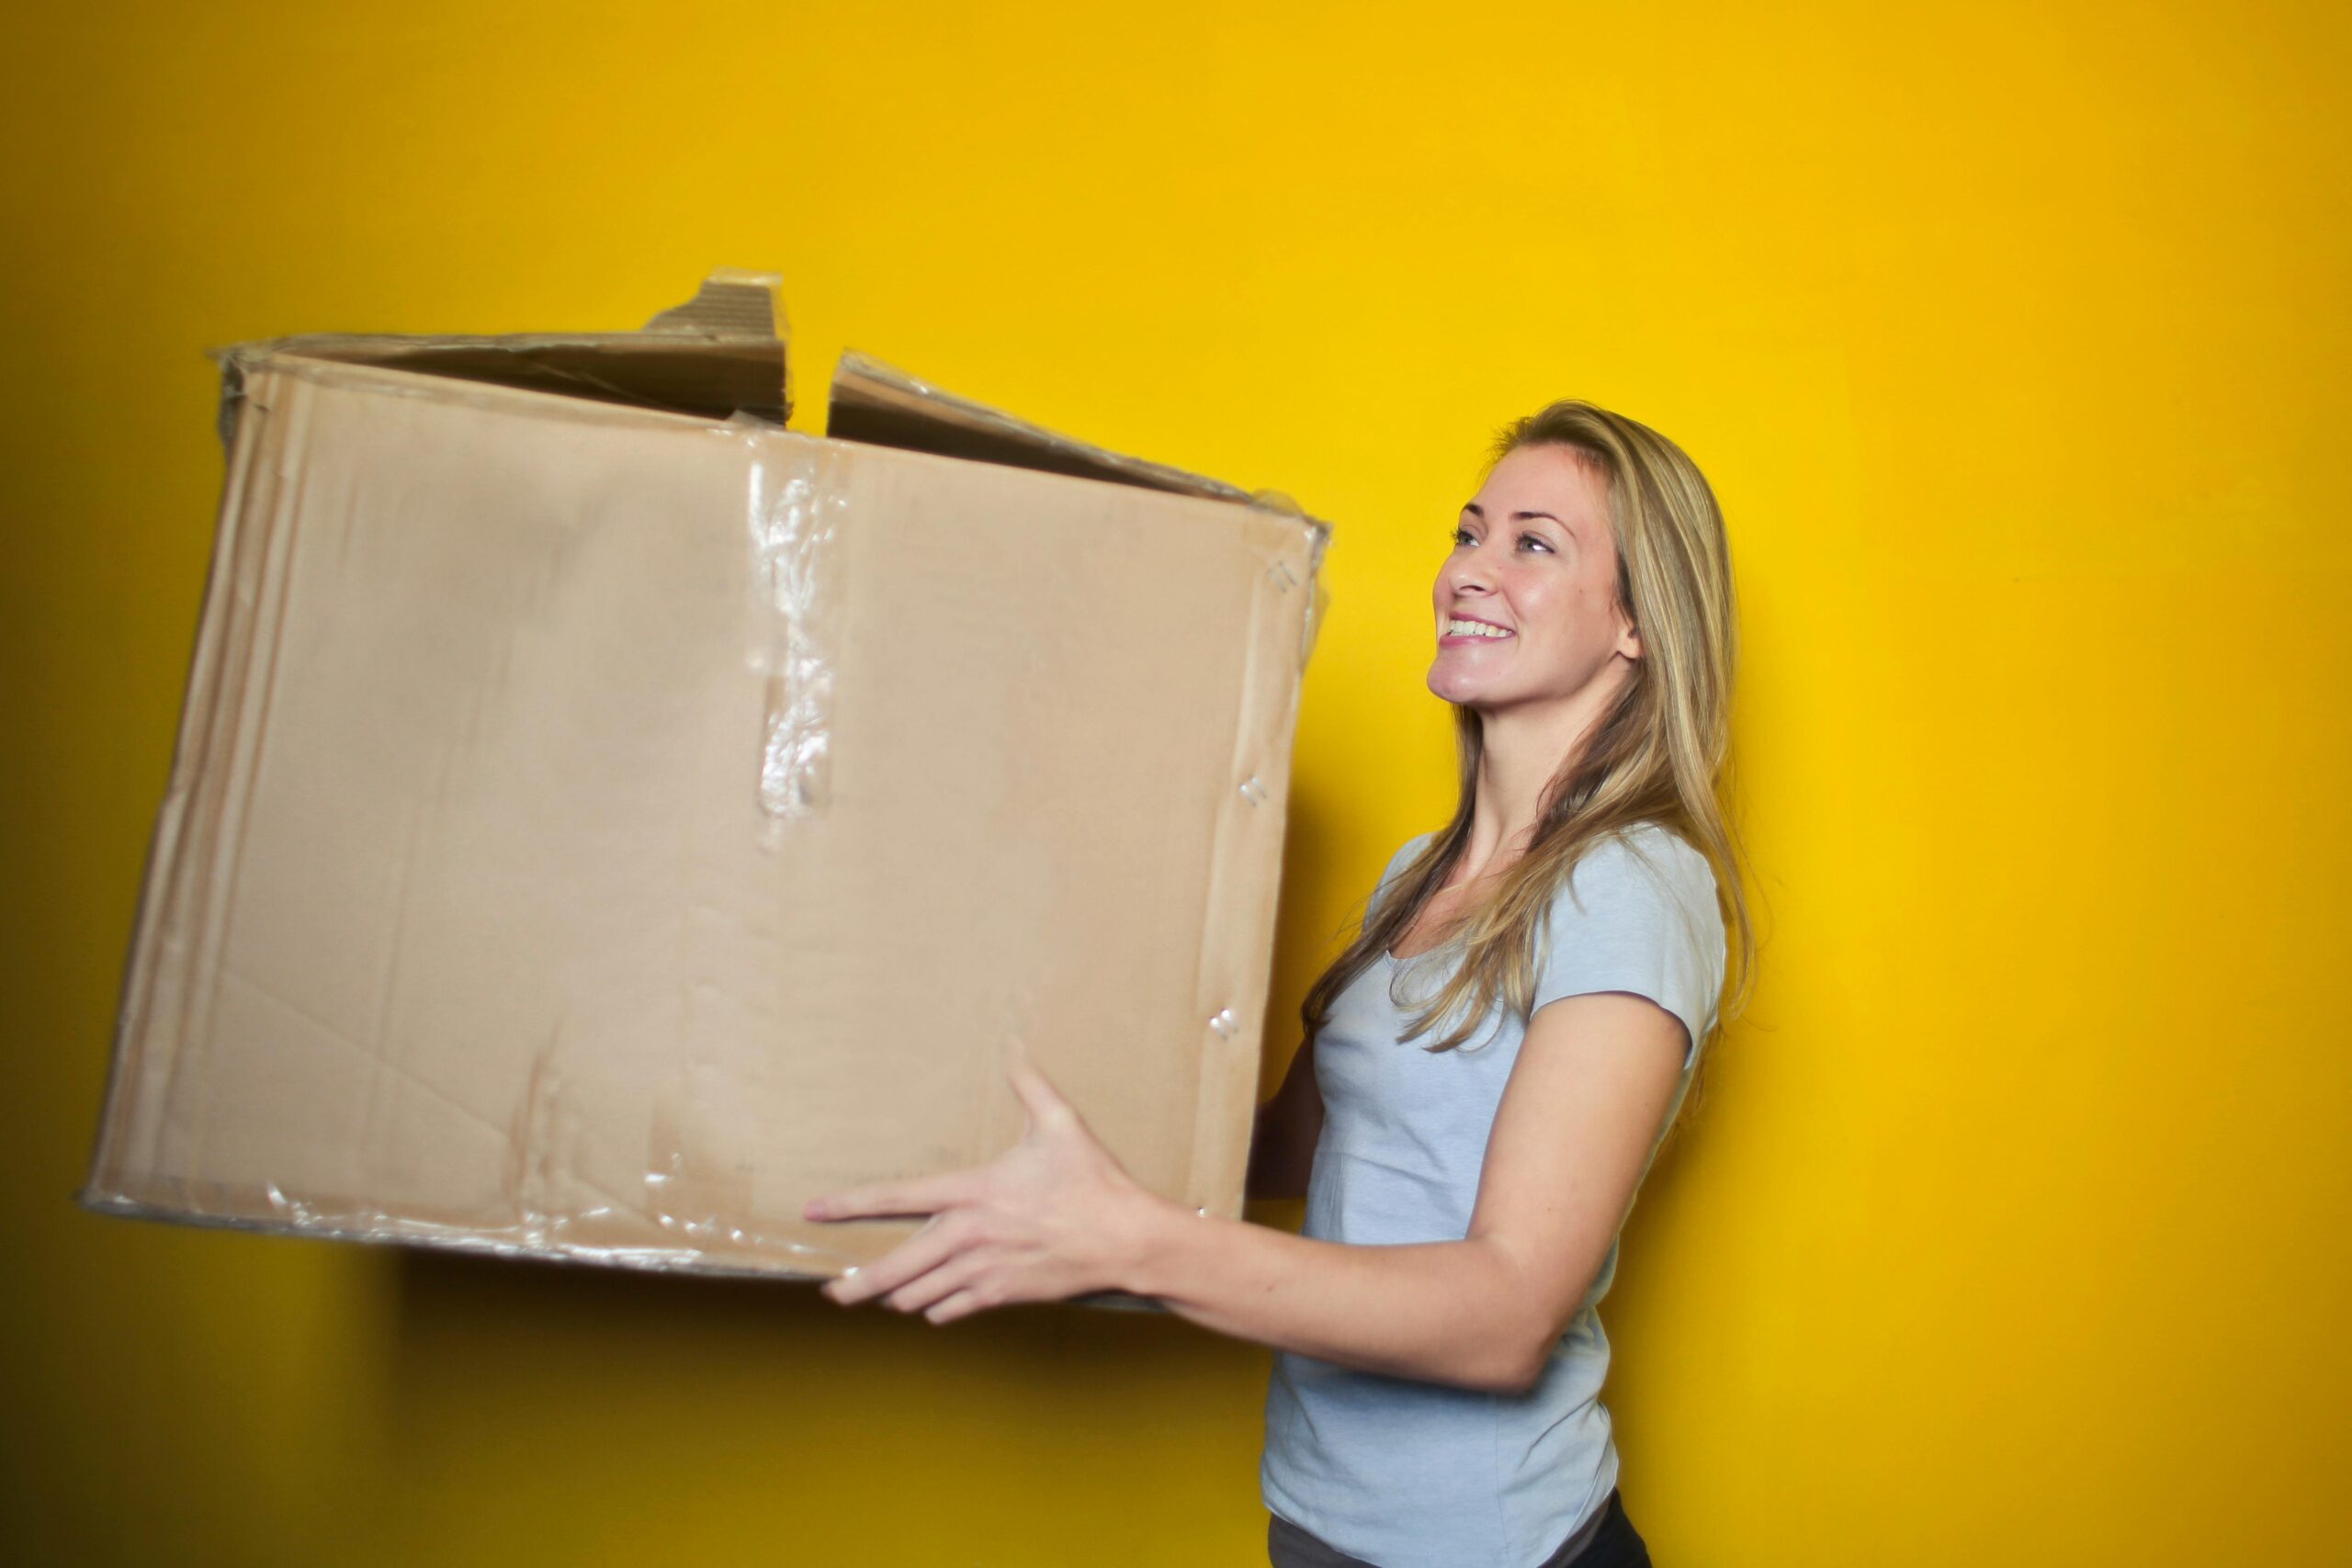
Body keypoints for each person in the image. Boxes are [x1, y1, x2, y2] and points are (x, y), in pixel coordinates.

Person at [803, 399, 1755, 1568]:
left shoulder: (1631, 887)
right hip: (1319, 1525)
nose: (1470, 570)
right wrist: (976, 1107)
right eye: (1469, 532)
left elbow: (1509, 1316)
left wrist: (1127, 1246)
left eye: (1533, 543)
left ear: (1637, 626)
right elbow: (1286, 1152)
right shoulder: (1422, 877)